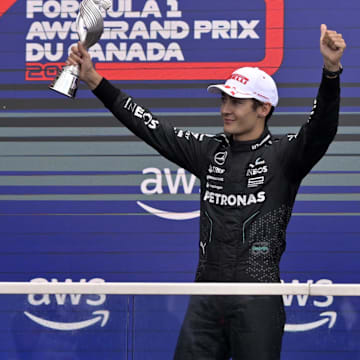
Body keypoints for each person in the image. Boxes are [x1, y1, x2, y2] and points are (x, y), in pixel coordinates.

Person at [66, 24, 346, 359]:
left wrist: (331, 71)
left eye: (237, 101)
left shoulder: (285, 155)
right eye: (224, 98)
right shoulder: (210, 151)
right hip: (206, 298)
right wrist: (95, 80)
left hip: (258, 299)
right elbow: (149, 125)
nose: (226, 108)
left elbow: (322, 128)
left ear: (263, 109)